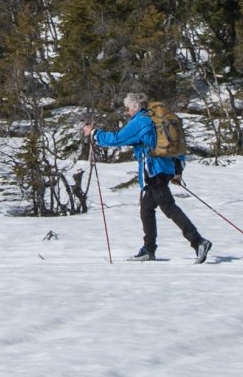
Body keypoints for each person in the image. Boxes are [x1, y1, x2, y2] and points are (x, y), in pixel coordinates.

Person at [84, 92, 212, 263]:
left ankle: (198, 241)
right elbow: (177, 147)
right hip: (165, 168)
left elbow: (117, 139)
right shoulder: (155, 119)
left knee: (168, 207)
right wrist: (177, 170)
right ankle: (148, 249)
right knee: (146, 208)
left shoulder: (140, 121)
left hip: (153, 171)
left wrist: (94, 133)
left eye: (128, 108)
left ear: (135, 107)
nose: (128, 111)